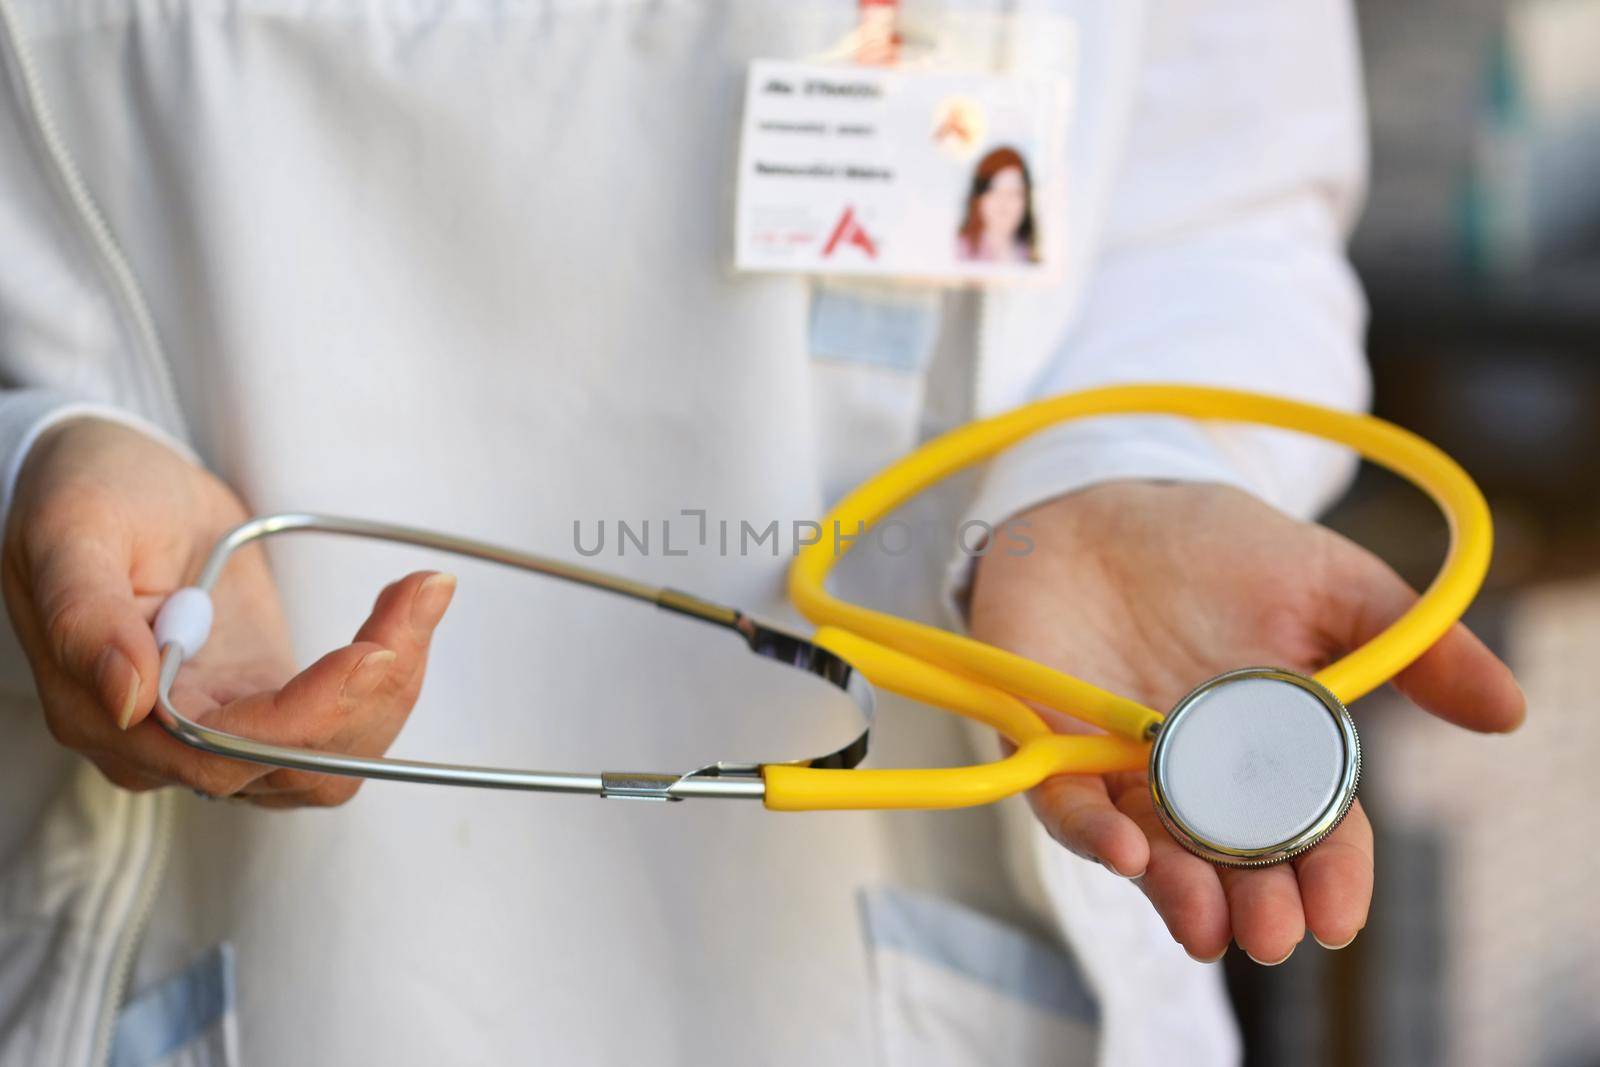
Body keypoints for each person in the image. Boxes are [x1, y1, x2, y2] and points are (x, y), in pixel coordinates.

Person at [0, 1, 1523, 1065]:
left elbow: (1217, 213)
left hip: (944, 963)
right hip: (211, 953)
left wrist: (1119, 464)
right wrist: (39, 467)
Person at [955, 145, 1037, 264]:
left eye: (1013, 193)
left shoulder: (1029, 254)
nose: (1003, 203)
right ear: (979, 198)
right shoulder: (960, 251)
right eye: (994, 191)